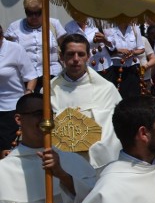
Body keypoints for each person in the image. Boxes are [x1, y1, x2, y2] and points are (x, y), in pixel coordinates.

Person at [51, 34, 123, 169]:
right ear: (61, 57)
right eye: (70, 54)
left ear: (88, 56)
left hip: (99, 162)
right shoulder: (49, 91)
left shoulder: (106, 89)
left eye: (81, 54)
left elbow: (117, 128)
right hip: (63, 163)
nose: (76, 59)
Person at [4, 0, 66, 93]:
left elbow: (65, 48)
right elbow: (6, 50)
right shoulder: (14, 27)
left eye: (38, 13)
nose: (34, 16)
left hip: (53, 75)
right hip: (25, 78)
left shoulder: (54, 24)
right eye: (29, 13)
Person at [0, 26, 37, 154]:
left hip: (11, 107)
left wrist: (28, 94)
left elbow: (31, 76)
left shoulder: (15, 49)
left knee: (8, 150)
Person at [104, 21, 146, 98]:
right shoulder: (109, 29)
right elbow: (108, 48)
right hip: (116, 67)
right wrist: (119, 50)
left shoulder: (135, 29)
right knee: (119, 95)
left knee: (134, 95)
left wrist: (132, 52)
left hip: (132, 67)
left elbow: (141, 48)